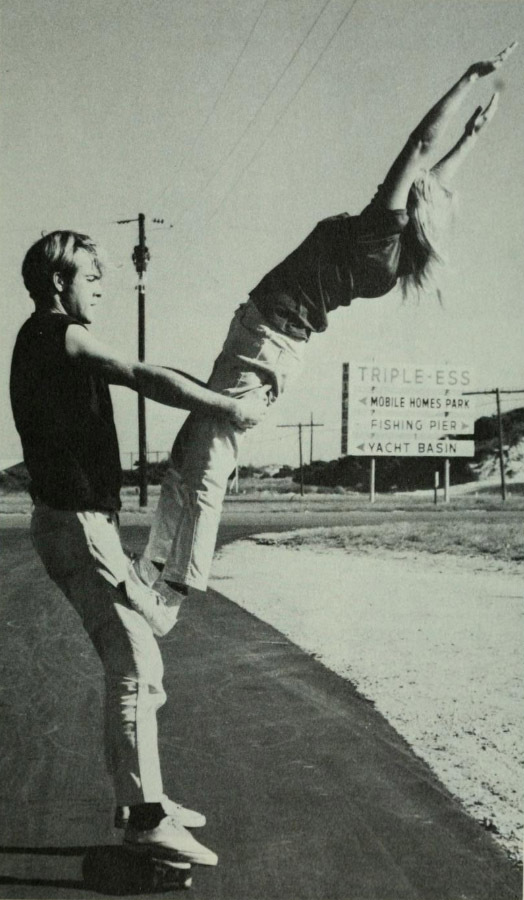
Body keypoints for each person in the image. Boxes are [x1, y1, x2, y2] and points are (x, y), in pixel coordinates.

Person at [135, 43, 516, 599]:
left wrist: (465, 79)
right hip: (270, 338)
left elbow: (420, 146)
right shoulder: (389, 255)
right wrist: (474, 138)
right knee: (187, 450)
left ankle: (175, 585)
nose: (409, 178)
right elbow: (435, 170)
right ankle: (151, 571)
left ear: (410, 208)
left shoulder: (377, 234)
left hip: (265, 339)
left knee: (209, 458)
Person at [9, 230, 268, 870]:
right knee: (133, 662)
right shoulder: (55, 333)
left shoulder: (37, 340)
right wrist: (222, 406)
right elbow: (142, 375)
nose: (100, 286)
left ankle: (142, 806)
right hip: (76, 526)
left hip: (74, 523)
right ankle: (146, 818)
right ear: (57, 284)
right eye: (91, 276)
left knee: (139, 658)